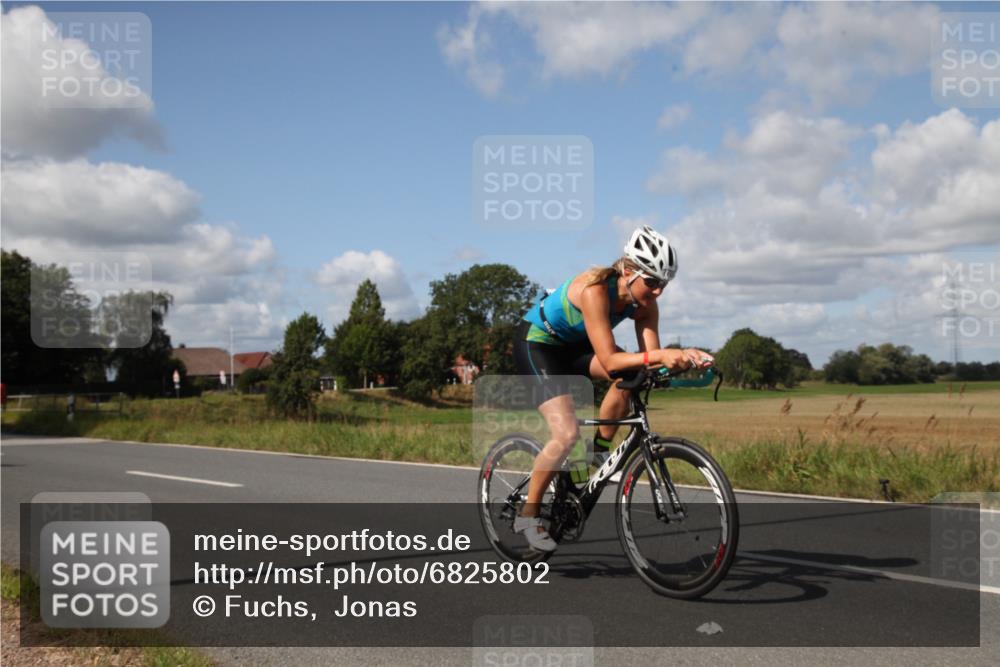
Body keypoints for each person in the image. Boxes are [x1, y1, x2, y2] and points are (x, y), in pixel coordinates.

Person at [511, 226, 714, 552]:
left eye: (663, 284)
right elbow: (610, 359)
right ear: (629, 271)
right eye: (652, 281)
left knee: (632, 375)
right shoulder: (594, 290)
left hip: (576, 347)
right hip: (539, 344)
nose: (658, 291)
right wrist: (661, 355)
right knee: (565, 436)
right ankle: (528, 513)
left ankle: (597, 453)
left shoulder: (646, 304)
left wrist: (687, 359)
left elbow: (649, 360)